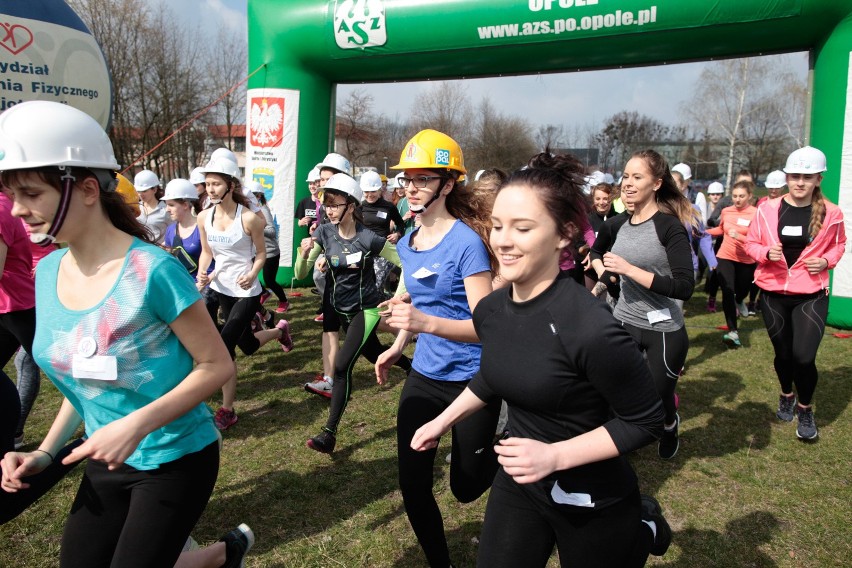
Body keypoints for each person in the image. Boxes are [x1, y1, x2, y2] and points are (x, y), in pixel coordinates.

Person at [0, 100, 235, 567]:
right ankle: (216, 560)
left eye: (30, 193)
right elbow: (87, 378)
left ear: (87, 189)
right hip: (105, 459)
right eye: (11, 195)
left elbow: (216, 365)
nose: (18, 210)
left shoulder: (153, 271)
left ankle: (215, 557)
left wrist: (135, 425)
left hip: (176, 458)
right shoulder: (46, 274)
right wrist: (45, 453)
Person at [411, 151, 671, 567]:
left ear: (564, 234)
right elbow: (492, 376)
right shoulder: (492, 311)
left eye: (523, 228)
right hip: (521, 484)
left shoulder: (590, 326)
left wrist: (555, 456)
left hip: (593, 497)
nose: (502, 241)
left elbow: (645, 421)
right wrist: (442, 422)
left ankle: (643, 527)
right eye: (497, 226)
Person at [375, 129, 501, 567]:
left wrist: (425, 322)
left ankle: (507, 452)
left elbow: (489, 329)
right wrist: (400, 342)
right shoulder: (408, 240)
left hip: (473, 380)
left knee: (465, 489)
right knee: (412, 483)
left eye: (423, 178)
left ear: (448, 184)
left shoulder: (467, 243)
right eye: (406, 178)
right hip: (426, 376)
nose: (410, 187)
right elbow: (420, 296)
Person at [294, 173, 411, 453]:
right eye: (326, 204)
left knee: (342, 366)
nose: (329, 209)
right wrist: (303, 252)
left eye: (335, 204)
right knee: (373, 353)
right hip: (339, 309)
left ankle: (329, 433)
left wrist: (396, 299)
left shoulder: (368, 238)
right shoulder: (323, 232)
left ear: (351, 205)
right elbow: (300, 275)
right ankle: (411, 369)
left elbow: (404, 264)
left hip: (366, 310)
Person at [599, 149, 695, 460]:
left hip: (664, 329)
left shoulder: (669, 227)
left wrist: (628, 270)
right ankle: (623, 445)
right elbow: (596, 252)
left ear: (656, 183)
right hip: (625, 320)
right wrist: (606, 276)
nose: (627, 183)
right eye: (625, 176)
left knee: (656, 398)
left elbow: (685, 286)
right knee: (619, 394)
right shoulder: (616, 224)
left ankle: (669, 423)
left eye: (636, 177)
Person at [745, 146, 846, 441]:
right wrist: (766, 252)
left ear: (818, 179)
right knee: (784, 354)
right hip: (773, 292)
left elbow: (840, 245)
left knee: (804, 357)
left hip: (811, 293)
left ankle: (804, 408)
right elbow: (751, 244)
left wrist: (826, 261)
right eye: (795, 176)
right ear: (787, 177)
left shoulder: (832, 212)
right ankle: (786, 394)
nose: (800, 182)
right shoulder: (766, 209)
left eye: (807, 176)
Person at [196, 157, 293, 431]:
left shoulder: (249, 218)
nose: (210, 189)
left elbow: (262, 254)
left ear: (230, 184)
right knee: (247, 346)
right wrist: (203, 273)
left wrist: (252, 274)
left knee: (224, 345)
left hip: (247, 291)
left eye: (216, 184)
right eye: (207, 184)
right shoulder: (204, 217)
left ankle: (226, 409)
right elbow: (206, 253)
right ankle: (279, 331)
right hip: (221, 288)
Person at [706, 180, 758, 348]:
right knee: (728, 290)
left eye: (741, 196)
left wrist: (740, 237)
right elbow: (721, 230)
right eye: (735, 196)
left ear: (749, 196)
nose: (737, 199)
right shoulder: (727, 211)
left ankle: (741, 300)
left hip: (747, 259)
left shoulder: (756, 214)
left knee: (741, 291)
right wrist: (703, 233)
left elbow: (759, 238)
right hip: (726, 255)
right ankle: (733, 330)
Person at [360, 170, 406, 296]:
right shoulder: (359, 208)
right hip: (364, 251)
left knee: (377, 283)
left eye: (373, 191)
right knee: (367, 285)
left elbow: (401, 224)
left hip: (383, 251)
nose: (370, 195)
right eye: (366, 192)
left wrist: (397, 234)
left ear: (380, 190)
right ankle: (379, 305)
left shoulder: (388, 207)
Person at [247, 180, 290, 313]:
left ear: (259, 196)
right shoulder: (248, 210)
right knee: (249, 274)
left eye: (252, 195)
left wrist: (256, 227)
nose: (248, 198)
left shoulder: (263, 210)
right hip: (256, 251)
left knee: (269, 280)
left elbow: (272, 231)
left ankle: (284, 301)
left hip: (270, 252)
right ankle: (264, 293)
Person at [704, 181, 725, 312]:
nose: (715, 197)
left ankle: (712, 298)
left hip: (719, 243)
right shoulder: (704, 207)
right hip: (705, 242)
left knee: (714, 271)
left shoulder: (726, 209)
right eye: (713, 194)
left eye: (718, 194)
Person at [134, 169, 169, 244]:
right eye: (138, 191)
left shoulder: (165, 210)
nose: (140, 194)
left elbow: (175, 232)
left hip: (160, 253)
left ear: (155, 189)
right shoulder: (135, 209)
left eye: (144, 191)